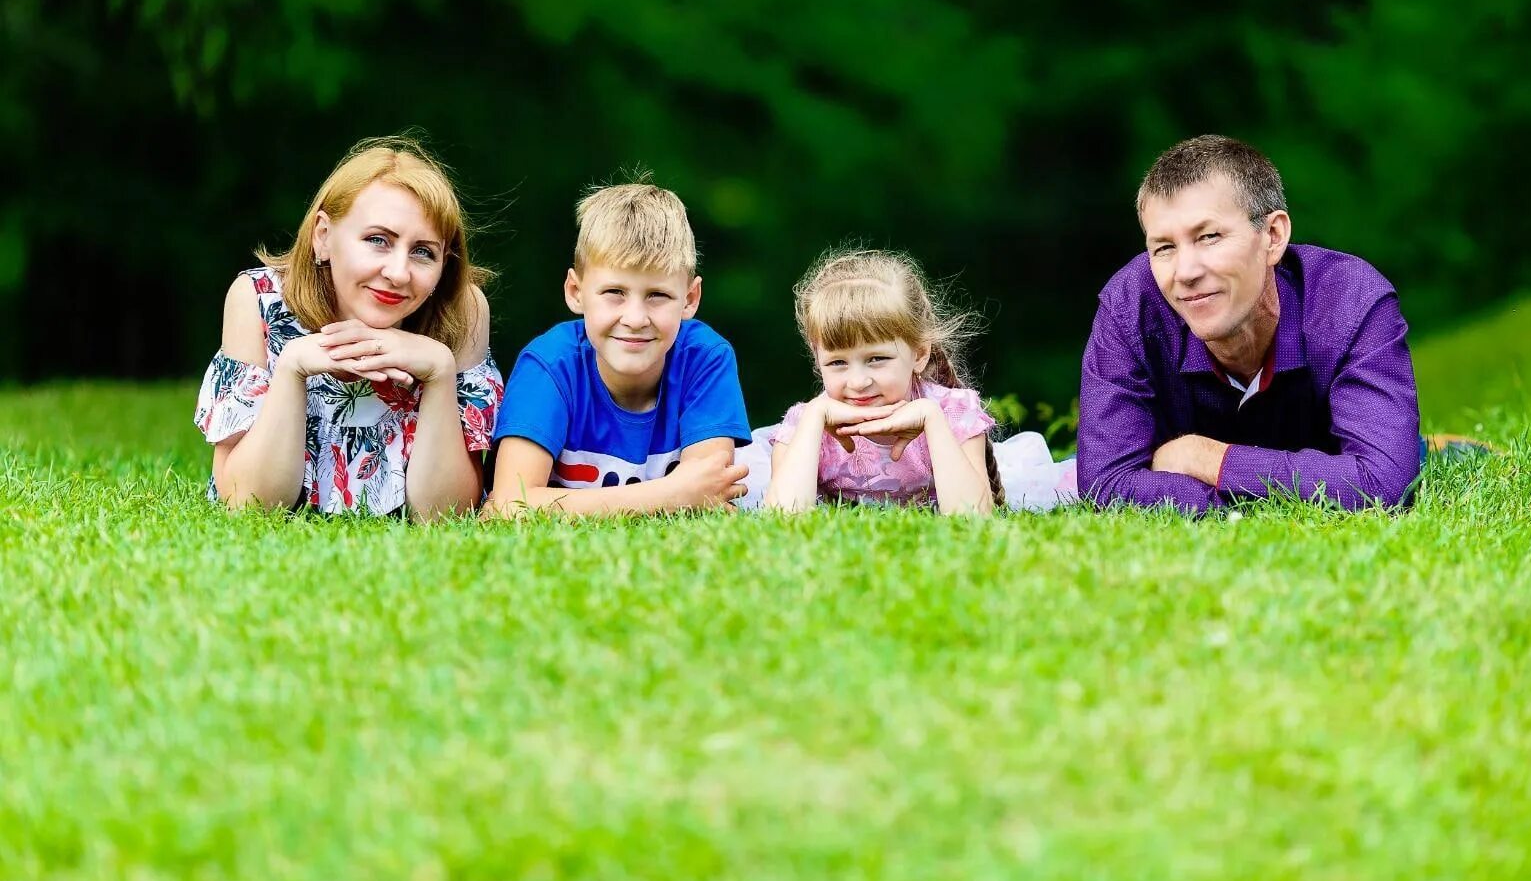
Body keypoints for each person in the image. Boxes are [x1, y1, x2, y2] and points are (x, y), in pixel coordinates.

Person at [1078, 134, 1422, 513]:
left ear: (1273, 237)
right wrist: (1234, 507)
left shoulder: (1350, 300)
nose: (1186, 272)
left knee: (1420, 451)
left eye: (1209, 237)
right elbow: (1104, 485)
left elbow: (1384, 485)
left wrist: (1207, 459)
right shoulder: (1130, 308)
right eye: (1164, 248)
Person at [194, 136, 503, 519]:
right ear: (323, 237)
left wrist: (440, 371)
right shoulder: (258, 300)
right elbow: (247, 505)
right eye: (378, 240)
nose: (397, 273)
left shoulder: (462, 310)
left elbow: (447, 515)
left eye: (423, 251)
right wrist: (292, 367)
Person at [483, 178, 752, 516]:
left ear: (690, 298)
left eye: (658, 295)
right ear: (575, 292)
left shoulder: (704, 359)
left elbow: (708, 499)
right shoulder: (550, 365)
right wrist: (670, 495)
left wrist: (686, 496)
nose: (636, 318)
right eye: (614, 293)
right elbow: (506, 507)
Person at [761, 249, 1006, 515]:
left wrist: (930, 418)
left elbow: (972, 517)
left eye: (877, 358)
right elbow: (784, 517)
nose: (857, 382)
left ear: (920, 354)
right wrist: (815, 415)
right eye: (837, 363)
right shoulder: (805, 425)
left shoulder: (951, 413)